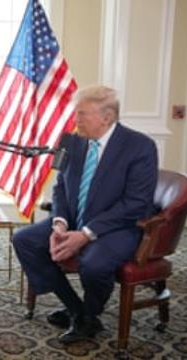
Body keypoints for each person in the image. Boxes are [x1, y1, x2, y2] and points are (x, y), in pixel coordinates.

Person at [13, 85, 158, 344]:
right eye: (76, 114)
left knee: (94, 264)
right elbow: (60, 187)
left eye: (82, 114)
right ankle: (78, 310)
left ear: (107, 117)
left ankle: (90, 314)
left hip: (117, 227)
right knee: (24, 240)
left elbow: (135, 204)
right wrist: (59, 223)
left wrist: (86, 234)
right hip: (72, 220)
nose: (76, 120)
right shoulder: (70, 141)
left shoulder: (141, 146)